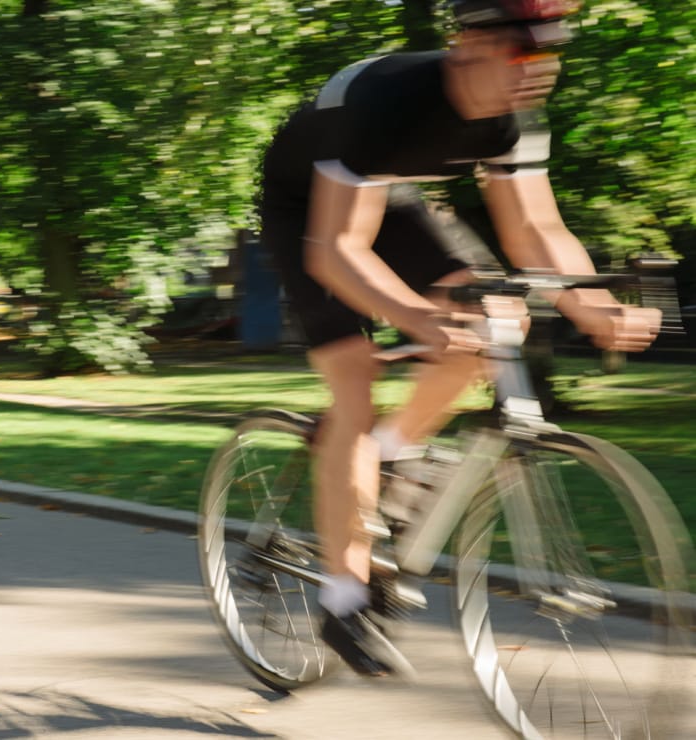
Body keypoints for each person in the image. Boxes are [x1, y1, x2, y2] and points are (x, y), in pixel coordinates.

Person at [258, 0, 661, 676]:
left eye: (552, 52)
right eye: (525, 52)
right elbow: (334, 250)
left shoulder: (512, 120)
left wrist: (593, 306)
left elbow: (536, 232)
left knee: (499, 316)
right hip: (309, 214)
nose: (542, 69)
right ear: (469, 44)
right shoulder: (385, 102)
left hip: (390, 198)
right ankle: (343, 598)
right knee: (355, 383)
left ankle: (392, 455)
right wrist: (418, 318)